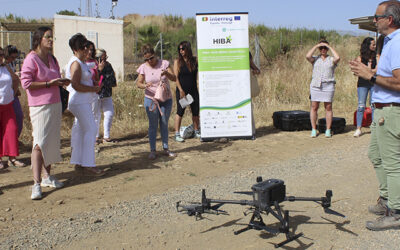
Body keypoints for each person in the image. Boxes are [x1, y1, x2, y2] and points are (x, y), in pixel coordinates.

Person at [350, 0, 400, 231]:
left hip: (391, 111)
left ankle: (396, 212)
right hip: (382, 110)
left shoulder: (398, 43)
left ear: (389, 19)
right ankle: (387, 199)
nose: (373, 20)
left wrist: (369, 76)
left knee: (392, 164)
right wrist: (369, 73)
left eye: (376, 17)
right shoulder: (389, 42)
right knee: (376, 155)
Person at [20, 27, 69, 200]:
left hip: (55, 103)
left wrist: (60, 82)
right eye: (47, 37)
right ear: (39, 39)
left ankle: (48, 176)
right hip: (39, 106)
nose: (51, 40)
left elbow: (54, 78)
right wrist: (49, 83)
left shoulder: (52, 58)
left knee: (52, 141)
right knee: (39, 142)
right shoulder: (31, 59)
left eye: (52, 37)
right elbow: (26, 83)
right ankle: (36, 183)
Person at [65, 33, 104, 176]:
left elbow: (81, 81)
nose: (88, 50)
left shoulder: (80, 62)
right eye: (84, 48)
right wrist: (93, 89)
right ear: (77, 49)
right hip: (79, 101)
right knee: (91, 129)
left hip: (83, 100)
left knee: (81, 131)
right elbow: (75, 84)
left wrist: (92, 84)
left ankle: (79, 162)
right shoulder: (75, 63)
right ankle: (88, 163)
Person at [136, 44, 176, 160]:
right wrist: (144, 85)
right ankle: (153, 150)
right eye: (146, 59)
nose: (150, 61)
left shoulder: (164, 64)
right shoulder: (143, 67)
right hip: (151, 100)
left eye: (151, 58)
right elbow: (138, 83)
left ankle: (166, 148)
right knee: (153, 125)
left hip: (165, 98)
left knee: (164, 122)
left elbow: (174, 78)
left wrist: (167, 74)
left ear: (155, 55)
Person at [306, 39, 340, 138]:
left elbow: (337, 57)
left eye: (325, 48)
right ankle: (313, 129)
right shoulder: (315, 59)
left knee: (328, 107)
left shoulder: (331, 59)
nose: (323, 49)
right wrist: (316, 46)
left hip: (328, 85)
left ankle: (328, 130)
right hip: (316, 85)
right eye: (321, 48)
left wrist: (329, 46)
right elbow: (308, 56)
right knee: (314, 107)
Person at [4, 45, 26, 167]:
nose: (13, 59)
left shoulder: (9, 65)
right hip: (4, 100)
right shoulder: (5, 66)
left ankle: (12, 155)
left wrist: (15, 89)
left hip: (12, 97)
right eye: (11, 57)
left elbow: (15, 79)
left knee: (16, 121)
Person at [173, 41, 200, 142]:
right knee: (180, 111)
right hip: (182, 91)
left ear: (188, 49)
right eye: (179, 49)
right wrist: (181, 90)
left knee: (195, 111)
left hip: (193, 90)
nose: (181, 51)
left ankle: (196, 131)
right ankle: (176, 134)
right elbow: (176, 78)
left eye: (183, 49)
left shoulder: (195, 60)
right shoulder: (178, 62)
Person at [0, 47, 19, 170]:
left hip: (8, 104)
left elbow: (15, 79)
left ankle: (12, 157)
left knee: (12, 129)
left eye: (2, 54)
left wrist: (14, 92)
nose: (1, 56)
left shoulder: (5, 67)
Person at [353, 37, 377, 137]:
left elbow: (377, 69)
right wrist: (370, 70)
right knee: (361, 105)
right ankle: (358, 128)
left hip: (373, 83)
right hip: (362, 84)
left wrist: (367, 70)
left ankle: (374, 126)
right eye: (373, 44)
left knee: (374, 105)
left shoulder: (377, 57)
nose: (375, 46)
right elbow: (357, 71)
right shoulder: (360, 58)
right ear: (368, 46)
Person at [95, 48, 117, 143]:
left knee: (109, 113)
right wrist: (99, 70)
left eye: (105, 57)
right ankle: (95, 136)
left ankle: (106, 136)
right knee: (96, 115)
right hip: (95, 94)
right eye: (102, 58)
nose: (104, 60)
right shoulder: (92, 65)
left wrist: (105, 82)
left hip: (106, 93)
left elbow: (113, 81)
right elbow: (93, 80)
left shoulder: (108, 65)